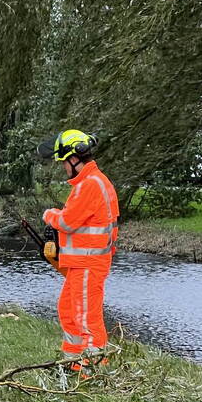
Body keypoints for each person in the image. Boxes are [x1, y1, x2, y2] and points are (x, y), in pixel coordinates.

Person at [41, 129, 119, 370]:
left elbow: (67, 221)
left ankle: (92, 368)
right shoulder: (90, 181)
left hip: (88, 263)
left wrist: (49, 214)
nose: (64, 167)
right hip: (81, 262)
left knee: (87, 318)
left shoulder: (90, 184)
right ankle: (73, 362)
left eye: (64, 162)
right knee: (68, 310)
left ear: (75, 158)